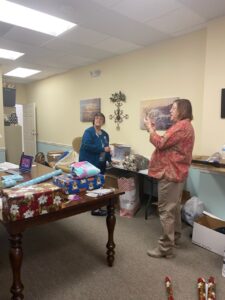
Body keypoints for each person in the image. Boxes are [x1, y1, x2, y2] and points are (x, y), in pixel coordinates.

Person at [144, 99, 195, 258]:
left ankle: (165, 248)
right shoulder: (185, 126)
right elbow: (166, 143)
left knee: (166, 211)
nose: (170, 111)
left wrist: (150, 130)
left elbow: (160, 143)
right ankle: (176, 238)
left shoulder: (180, 127)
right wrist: (152, 129)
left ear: (182, 110)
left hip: (170, 174)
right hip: (176, 173)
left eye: (173, 108)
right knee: (173, 208)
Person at [79, 112, 111, 216]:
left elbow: (107, 149)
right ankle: (95, 209)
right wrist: (102, 149)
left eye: (101, 119)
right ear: (94, 120)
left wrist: (110, 160)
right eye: (97, 118)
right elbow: (86, 146)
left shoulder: (105, 135)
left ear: (103, 121)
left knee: (99, 184)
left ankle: (95, 206)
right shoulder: (88, 132)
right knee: (93, 185)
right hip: (89, 163)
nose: (98, 120)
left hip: (100, 162)